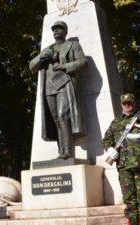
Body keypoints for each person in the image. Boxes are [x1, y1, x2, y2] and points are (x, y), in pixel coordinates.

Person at [29, 20, 87, 159]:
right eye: (54, 29)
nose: (56, 31)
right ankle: (61, 152)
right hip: (49, 87)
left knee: (62, 116)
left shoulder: (73, 45)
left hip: (65, 84)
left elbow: (83, 62)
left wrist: (65, 66)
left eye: (59, 29)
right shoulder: (47, 49)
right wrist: (42, 56)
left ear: (65, 31)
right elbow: (32, 66)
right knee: (55, 119)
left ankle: (68, 151)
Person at [102, 93, 140, 225]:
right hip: (124, 167)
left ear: (134, 104)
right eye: (125, 103)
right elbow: (106, 139)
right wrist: (110, 149)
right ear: (121, 104)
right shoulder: (116, 123)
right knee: (129, 200)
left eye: (130, 103)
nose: (127, 105)